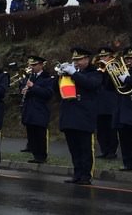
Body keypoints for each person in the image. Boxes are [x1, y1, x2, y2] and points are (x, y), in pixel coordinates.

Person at [57, 47, 102, 185]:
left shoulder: (95, 72)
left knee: (85, 148)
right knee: (74, 148)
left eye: (80, 60)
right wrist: (60, 75)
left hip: (84, 116)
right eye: (74, 60)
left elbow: (91, 84)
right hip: (69, 116)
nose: (76, 63)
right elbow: (58, 92)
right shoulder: (70, 74)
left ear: (87, 59)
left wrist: (74, 73)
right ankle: (77, 174)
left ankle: (86, 175)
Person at [19, 56, 54, 164]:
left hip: (40, 110)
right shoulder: (29, 76)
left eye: (34, 65)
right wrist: (23, 90)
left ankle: (41, 156)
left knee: (40, 135)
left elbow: (48, 93)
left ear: (41, 65)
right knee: (31, 134)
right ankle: (35, 155)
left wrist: (33, 87)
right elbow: (22, 87)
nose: (31, 67)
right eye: (30, 65)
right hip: (29, 109)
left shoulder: (47, 78)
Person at [113, 46, 132, 171]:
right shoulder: (124, 70)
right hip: (123, 109)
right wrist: (112, 75)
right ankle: (129, 163)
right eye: (127, 58)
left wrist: (127, 79)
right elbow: (108, 87)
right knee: (125, 139)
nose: (129, 61)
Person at [93, 47, 119, 159]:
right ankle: (104, 150)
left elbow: (112, 85)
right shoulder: (98, 69)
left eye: (105, 56)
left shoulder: (115, 67)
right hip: (99, 103)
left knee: (111, 129)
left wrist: (107, 71)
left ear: (111, 56)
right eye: (101, 56)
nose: (103, 58)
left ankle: (112, 151)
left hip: (111, 102)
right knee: (101, 129)